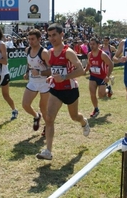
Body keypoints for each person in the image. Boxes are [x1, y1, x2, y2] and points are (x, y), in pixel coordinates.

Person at [36, 23, 90, 160]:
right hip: (56, 90)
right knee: (49, 118)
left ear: (62, 35)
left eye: (54, 35)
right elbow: (54, 70)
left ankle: (83, 121)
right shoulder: (50, 53)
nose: (52, 38)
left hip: (70, 90)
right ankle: (48, 151)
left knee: (74, 117)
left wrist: (64, 77)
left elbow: (81, 71)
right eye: (49, 35)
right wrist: (51, 76)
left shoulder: (68, 52)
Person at [22, 29, 50, 136]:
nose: (30, 41)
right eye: (29, 39)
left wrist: (39, 72)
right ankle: (36, 116)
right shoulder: (27, 50)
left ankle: (47, 127)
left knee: (43, 108)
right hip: (33, 82)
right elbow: (29, 64)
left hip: (44, 83)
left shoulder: (44, 53)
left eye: (33, 39)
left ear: (39, 39)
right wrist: (27, 72)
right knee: (25, 105)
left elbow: (51, 70)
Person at [84, 37, 114, 118]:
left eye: (93, 44)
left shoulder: (103, 55)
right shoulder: (89, 54)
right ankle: (96, 109)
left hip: (102, 77)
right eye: (90, 44)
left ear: (98, 45)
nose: (92, 46)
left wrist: (107, 76)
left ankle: (108, 90)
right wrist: (85, 70)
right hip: (93, 76)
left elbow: (111, 64)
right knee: (92, 93)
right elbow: (89, 64)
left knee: (101, 95)